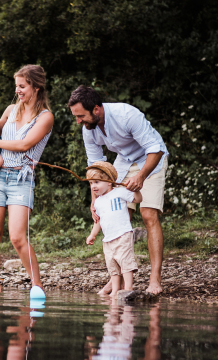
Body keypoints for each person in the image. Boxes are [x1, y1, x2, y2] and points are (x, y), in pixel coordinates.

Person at [68, 85, 169, 294]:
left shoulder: (127, 115)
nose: (78, 121)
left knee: (148, 214)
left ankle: (155, 279)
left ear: (96, 109)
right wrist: (94, 201)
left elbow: (155, 149)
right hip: (124, 162)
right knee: (117, 213)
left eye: (81, 116)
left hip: (152, 159)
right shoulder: (89, 129)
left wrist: (140, 177)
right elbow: (95, 168)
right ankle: (119, 279)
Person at [0, 64, 54, 294]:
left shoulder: (45, 117)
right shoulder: (11, 109)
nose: (18, 90)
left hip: (21, 178)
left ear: (36, 87)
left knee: (18, 238)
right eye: (16, 86)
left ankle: (37, 286)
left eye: (22, 86)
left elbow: (24, 145)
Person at [85, 161, 142, 297]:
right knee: (113, 267)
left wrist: (136, 190)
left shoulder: (120, 192)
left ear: (109, 182)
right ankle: (115, 290)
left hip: (122, 235)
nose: (93, 186)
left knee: (125, 262)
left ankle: (128, 288)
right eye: (91, 183)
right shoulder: (98, 202)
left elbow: (137, 200)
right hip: (108, 239)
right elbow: (98, 221)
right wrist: (92, 235)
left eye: (97, 182)